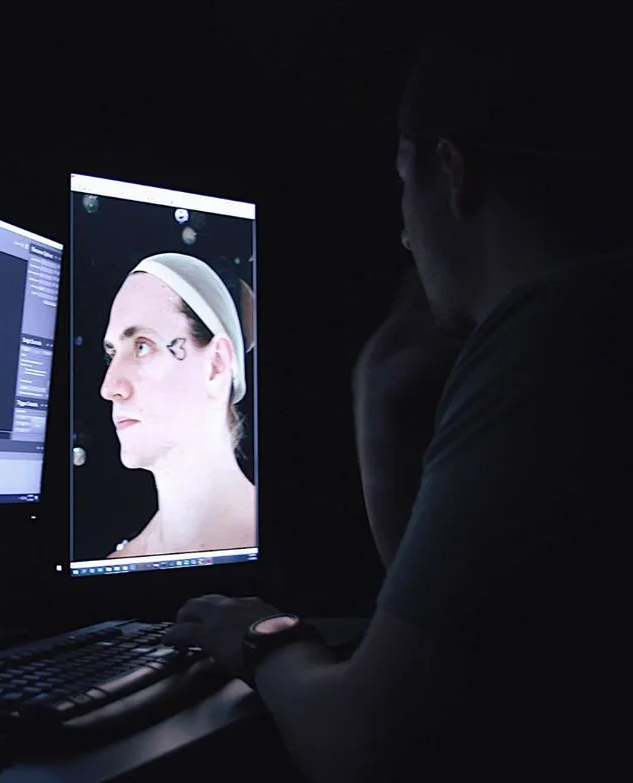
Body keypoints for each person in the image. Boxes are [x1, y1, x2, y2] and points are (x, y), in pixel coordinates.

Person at [163, 13, 629, 782]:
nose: (406, 236)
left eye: (399, 183)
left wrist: (261, 638)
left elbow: (371, 749)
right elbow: (448, 653)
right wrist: (380, 405)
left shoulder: (561, 335)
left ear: (452, 172)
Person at [100, 252, 255, 558]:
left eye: (142, 346)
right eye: (112, 354)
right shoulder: (118, 565)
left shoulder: (306, 550)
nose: (109, 388)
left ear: (216, 365)